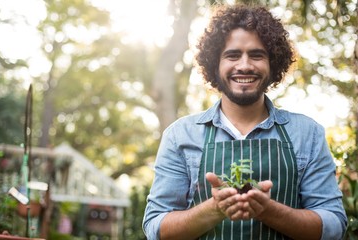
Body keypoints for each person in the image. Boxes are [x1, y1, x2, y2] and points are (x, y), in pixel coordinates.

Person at [143, 4, 347, 240]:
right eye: (232, 55)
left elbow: (333, 225)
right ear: (214, 64)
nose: (244, 65)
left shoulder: (307, 133)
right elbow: (156, 228)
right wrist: (214, 209)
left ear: (273, 64)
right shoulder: (180, 135)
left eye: (257, 55)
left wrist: (269, 211)